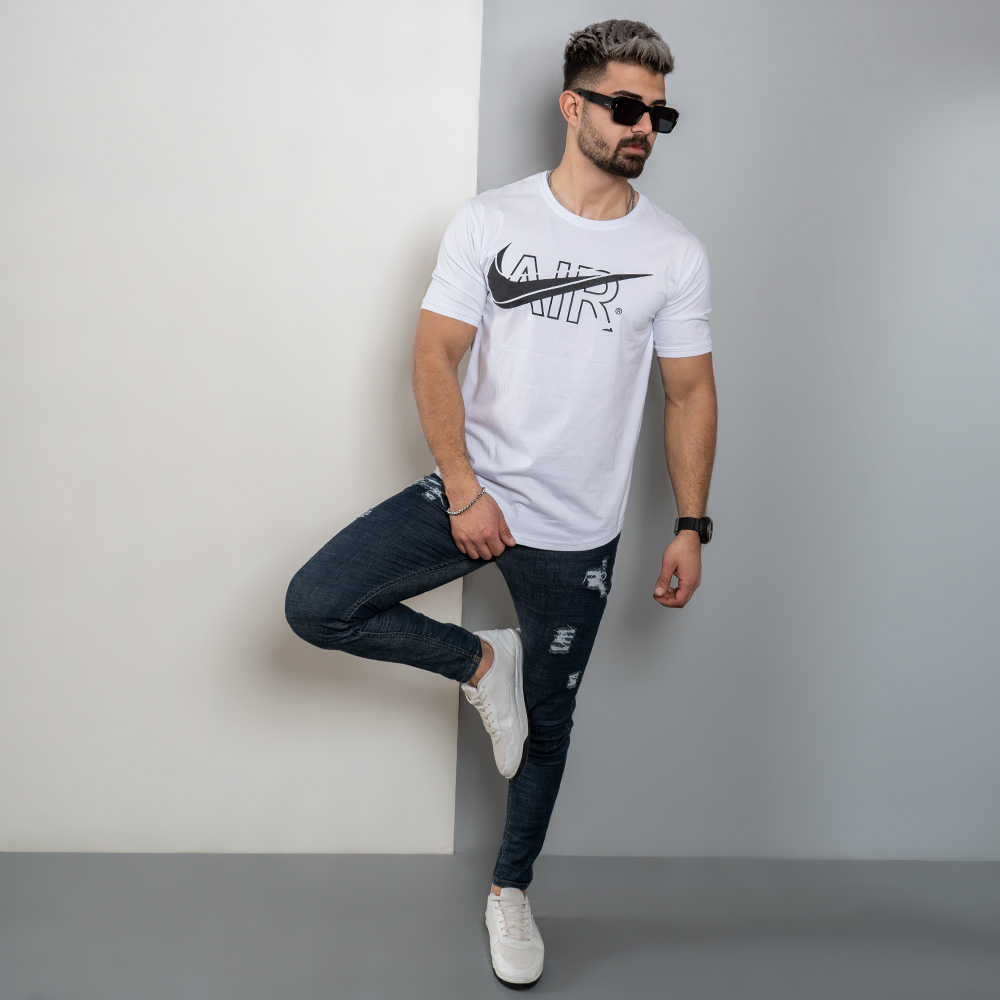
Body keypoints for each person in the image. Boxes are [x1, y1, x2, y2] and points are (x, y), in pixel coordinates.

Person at [284, 17, 717, 991]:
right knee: (318, 603)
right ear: (573, 106)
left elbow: (689, 393)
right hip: (472, 494)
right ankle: (485, 661)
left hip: (578, 534)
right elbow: (433, 355)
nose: (642, 127)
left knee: (550, 726)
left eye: (657, 114)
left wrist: (691, 523)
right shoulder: (491, 221)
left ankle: (509, 891)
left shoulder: (674, 253)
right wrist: (466, 489)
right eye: (625, 106)